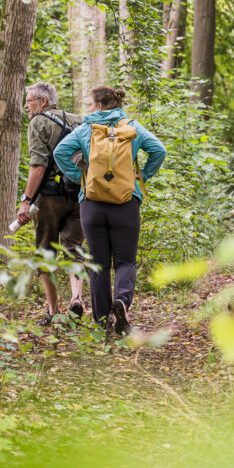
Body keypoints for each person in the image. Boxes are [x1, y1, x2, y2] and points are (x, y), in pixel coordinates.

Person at [53, 86, 166, 336]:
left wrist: (78, 177)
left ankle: (102, 321)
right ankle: (123, 303)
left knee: (98, 263)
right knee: (125, 261)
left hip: (92, 204)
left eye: (91, 105)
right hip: (126, 202)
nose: (89, 109)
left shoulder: (86, 129)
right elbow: (159, 150)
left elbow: (60, 152)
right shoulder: (133, 127)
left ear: (101, 106)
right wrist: (140, 178)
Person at [13, 82, 87, 324]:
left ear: (42, 102)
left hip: (49, 199)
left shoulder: (38, 122)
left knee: (45, 252)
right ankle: (77, 299)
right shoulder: (78, 120)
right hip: (79, 195)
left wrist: (26, 201)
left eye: (29, 100)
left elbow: (38, 165)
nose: (26, 105)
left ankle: (53, 312)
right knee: (74, 249)